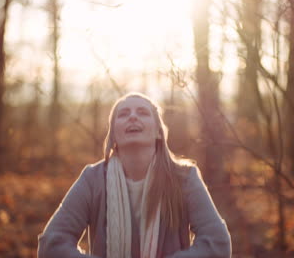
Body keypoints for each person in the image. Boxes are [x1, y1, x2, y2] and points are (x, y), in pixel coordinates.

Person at [37, 92, 231, 258]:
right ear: (113, 134)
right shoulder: (92, 179)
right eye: (123, 114)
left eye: (142, 112)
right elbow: (52, 243)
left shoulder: (185, 178)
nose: (132, 117)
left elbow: (217, 242)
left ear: (158, 132)